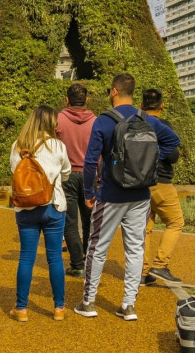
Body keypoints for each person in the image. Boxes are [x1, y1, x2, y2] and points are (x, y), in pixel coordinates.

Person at [75, 74, 180, 321]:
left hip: (111, 194)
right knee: (135, 249)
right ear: (133, 93)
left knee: (97, 247)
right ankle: (128, 305)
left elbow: (90, 162)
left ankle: (88, 302)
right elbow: (173, 141)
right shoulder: (146, 119)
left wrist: (89, 193)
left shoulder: (103, 121)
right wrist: (150, 160)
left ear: (113, 91)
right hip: (141, 194)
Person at [8, 105, 71, 322]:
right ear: (50, 123)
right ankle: (59, 308)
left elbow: (14, 172)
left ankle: (22, 309)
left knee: (26, 256)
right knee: (54, 258)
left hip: (26, 207)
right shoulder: (57, 145)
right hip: (53, 205)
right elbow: (67, 172)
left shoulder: (18, 145)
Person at [139, 89, 184, 285]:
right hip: (161, 182)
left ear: (141, 106)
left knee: (145, 228)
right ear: (162, 105)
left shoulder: (136, 124)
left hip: (140, 183)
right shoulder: (164, 126)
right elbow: (173, 155)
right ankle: (160, 264)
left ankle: (143, 273)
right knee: (175, 222)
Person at [56, 83, 95, 277]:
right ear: (86, 100)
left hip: (66, 174)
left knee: (70, 221)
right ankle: (89, 263)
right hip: (90, 174)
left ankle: (77, 264)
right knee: (89, 220)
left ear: (67, 99)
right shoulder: (96, 120)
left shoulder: (58, 119)